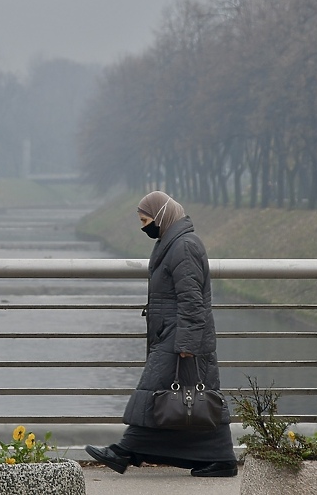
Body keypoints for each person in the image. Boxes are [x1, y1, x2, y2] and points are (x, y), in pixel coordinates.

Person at [85, 190, 238, 477]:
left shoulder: (183, 246)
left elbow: (192, 300)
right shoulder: (171, 243)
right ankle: (221, 459)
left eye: (146, 220)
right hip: (174, 334)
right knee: (192, 398)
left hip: (180, 337)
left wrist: (188, 342)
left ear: (162, 216)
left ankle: (125, 451)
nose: (144, 227)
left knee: (155, 394)